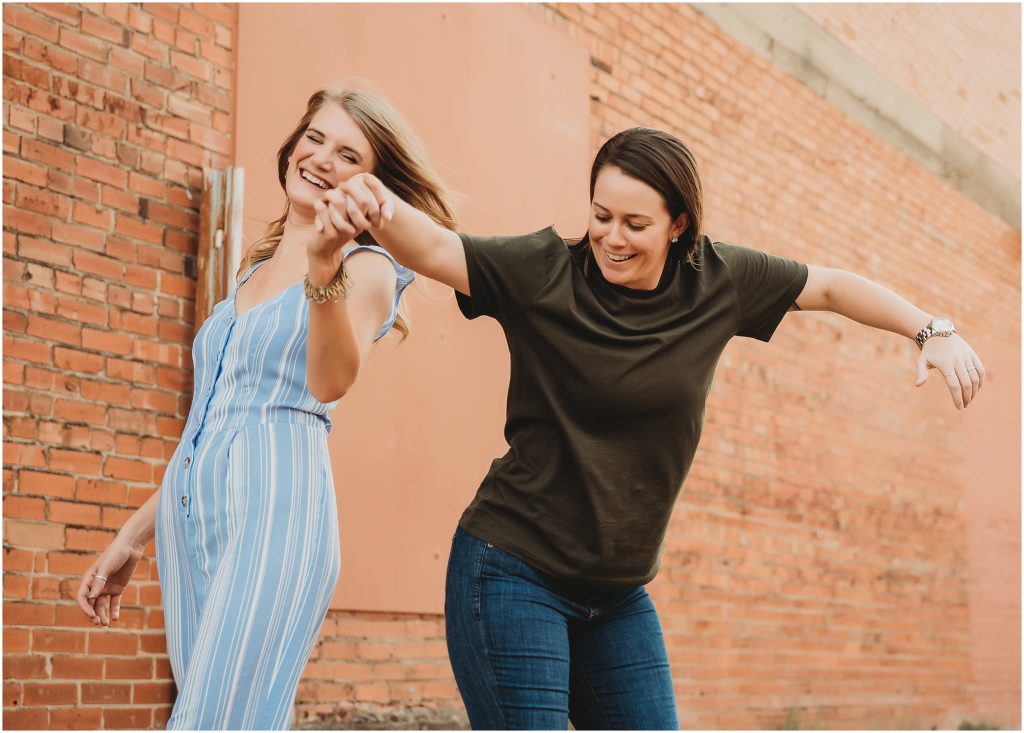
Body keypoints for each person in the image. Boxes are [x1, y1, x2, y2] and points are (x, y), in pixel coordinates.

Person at [320, 126, 984, 730]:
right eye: (601, 215)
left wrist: (930, 329)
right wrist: (374, 201)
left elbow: (831, 287)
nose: (612, 236)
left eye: (636, 223)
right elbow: (436, 246)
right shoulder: (543, 271)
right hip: (511, 569)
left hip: (616, 592)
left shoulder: (716, 281)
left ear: (678, 225)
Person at [75, 87, 456, 729]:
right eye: (315, 138)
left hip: (275, 519)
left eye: (348, 154)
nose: (322, 159)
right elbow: (213, 425)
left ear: (371, 184)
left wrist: (323, 266)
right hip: (190, 526)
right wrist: (132, 537)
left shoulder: (367, 270)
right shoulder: (248, 276)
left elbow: (332, 380)